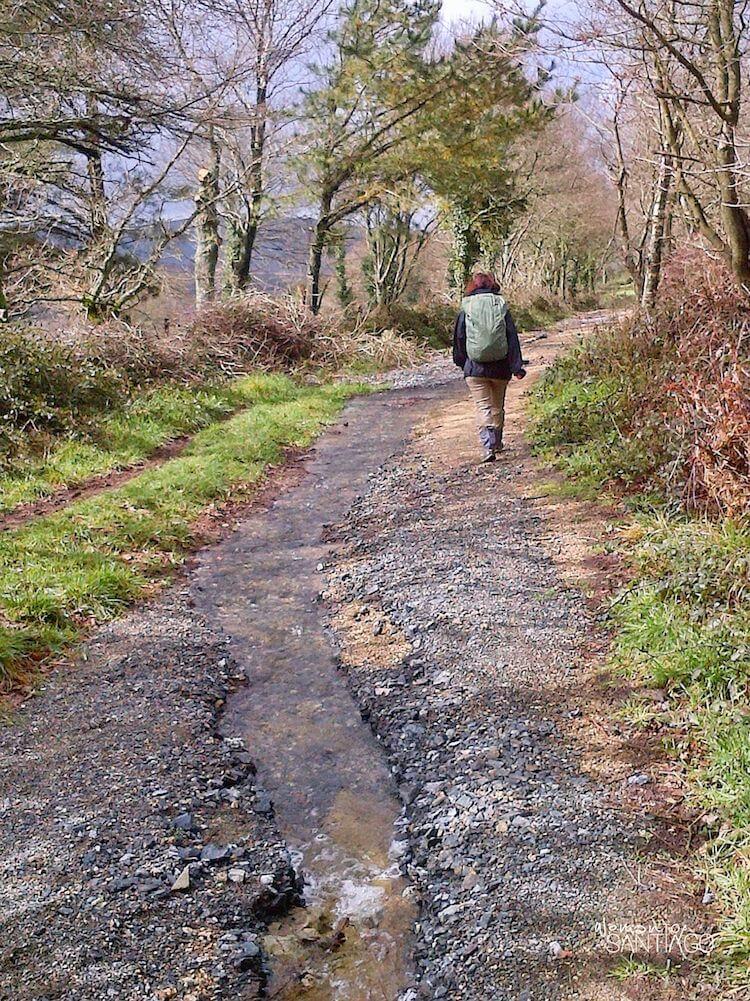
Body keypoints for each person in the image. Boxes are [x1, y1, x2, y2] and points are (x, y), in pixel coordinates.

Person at [452, 272, 526, 463]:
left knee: (482, 406)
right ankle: (497, 442)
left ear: (472, 286)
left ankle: (488, 447)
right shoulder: (500, 305)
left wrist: (463, 363)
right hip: (500, 368)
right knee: (497, 407)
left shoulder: (467, 306)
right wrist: (516, 366)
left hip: (475, 368)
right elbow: (511, 337)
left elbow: (460, 338)